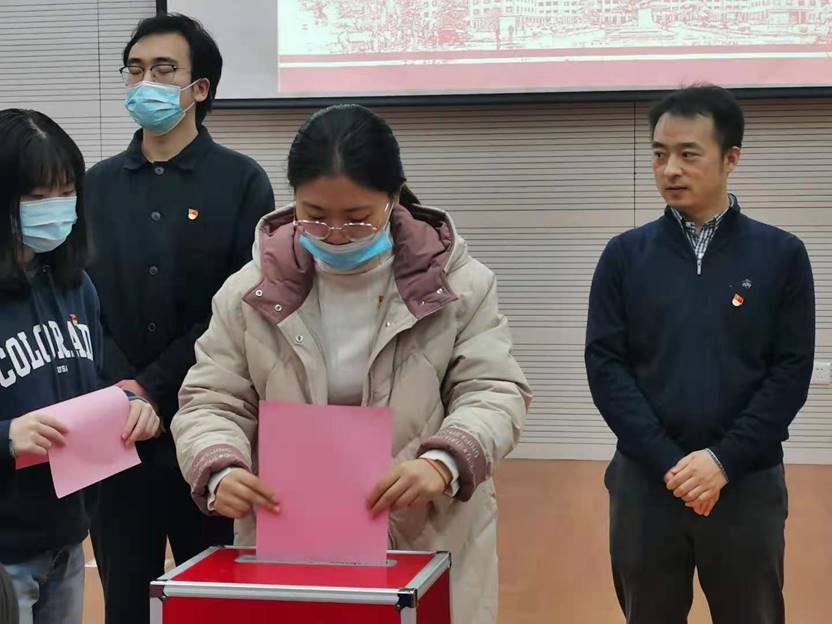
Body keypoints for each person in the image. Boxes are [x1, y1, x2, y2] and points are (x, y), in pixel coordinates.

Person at [170, 104, 531, 624]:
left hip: (427, 538)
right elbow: (210, 399)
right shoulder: (249, 292)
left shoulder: (459, 286)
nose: (335, 233)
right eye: (314, 215)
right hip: (293, 541)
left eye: (358, 218)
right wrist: (219, 465)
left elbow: (494, 390)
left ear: (394, 197)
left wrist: (444, 462)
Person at [585, 84, 815, 624]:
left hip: (745, 484)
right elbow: (606, 367)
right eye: (659, 154)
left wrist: (723, 461)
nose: (670, 169)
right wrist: (671, 464)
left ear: (731, 158)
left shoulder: (781, 254)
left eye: (689, 154)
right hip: (647, 484)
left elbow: (790, 372)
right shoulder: (624, 256)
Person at [84, 13, 274, 624]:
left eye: (165, 69)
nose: (147, 82)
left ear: (200, 88)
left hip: (209, 432)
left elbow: (240, 309)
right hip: (114, 434)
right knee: (124, 603)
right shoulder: (95, 186)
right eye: (136, 69)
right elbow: (79, 303)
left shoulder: (242, 182)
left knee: (214, 604)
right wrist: (121, 390)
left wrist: (151, 387)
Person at [0, 109, 159, 624]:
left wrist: (128, 406)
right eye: (36, 196)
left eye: (66, 192)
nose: (55, 207)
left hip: (66, 533)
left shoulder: (76, 285)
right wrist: (6, 436)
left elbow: (89, 387)